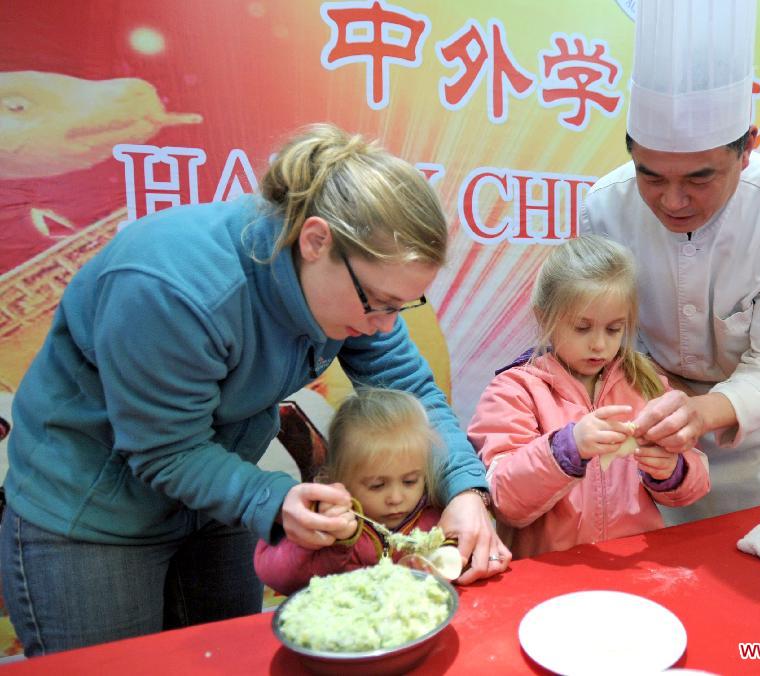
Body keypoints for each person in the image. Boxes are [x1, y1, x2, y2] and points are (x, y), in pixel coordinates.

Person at [0, 123, 508, 656]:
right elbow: (167, 449)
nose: (386, 325)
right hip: (91, 514)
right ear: (316, 241)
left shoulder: (355, 290)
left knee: (225, 661)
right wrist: (270, 497)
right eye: (378, 302)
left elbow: (411, 389)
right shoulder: (174, 288)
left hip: (217, 496)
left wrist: (465, 490)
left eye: (401, 306)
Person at [580, 0, 760, 523]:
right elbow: (602, 329)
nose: (672, 201)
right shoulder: (605, 207)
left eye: (699, 178)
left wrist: (700, 412)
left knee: (753, 563)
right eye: (650, 176)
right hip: (646, 420)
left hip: (757, 434)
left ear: (747, 150)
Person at [467, 235, 710, 559]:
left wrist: (672, 470)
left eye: (614, 329)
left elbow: (697, 477)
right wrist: (567, 448)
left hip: (634, 566)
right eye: (582, 328)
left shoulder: (645, 382)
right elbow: (505, 500)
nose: (599, 345)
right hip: (547, 573)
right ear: (544, 319)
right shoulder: (514, 392)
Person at [255, 388, 449, 594]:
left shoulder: (438, 515)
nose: (396, 498)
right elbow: (278, 576)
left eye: (410, 481)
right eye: (377, 485)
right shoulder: (319, 520)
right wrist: (334, 541)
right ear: (339, 479)